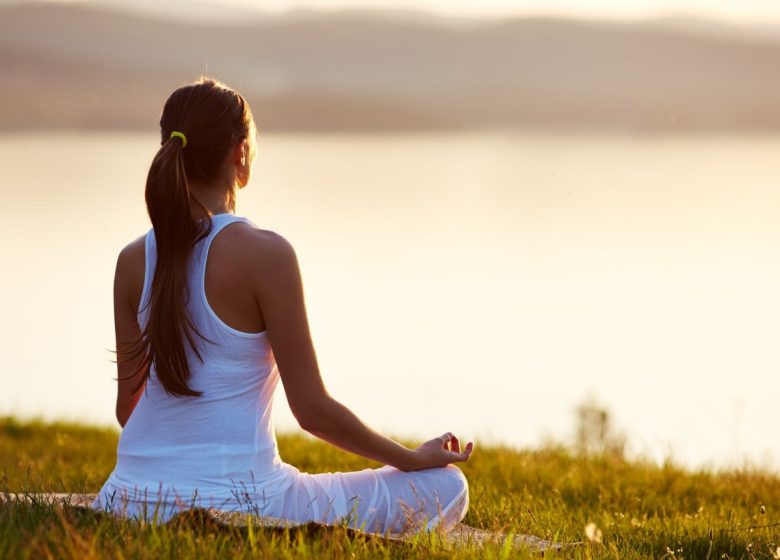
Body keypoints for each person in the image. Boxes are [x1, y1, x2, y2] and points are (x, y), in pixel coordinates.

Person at [91, 76, 473, 535]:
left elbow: (127, 412)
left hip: (125, 496)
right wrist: (410, 458)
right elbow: (311, 411)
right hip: (248, 501)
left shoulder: (133, 259)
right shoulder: (266, 254)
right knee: (448, 486)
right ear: (241, 154)